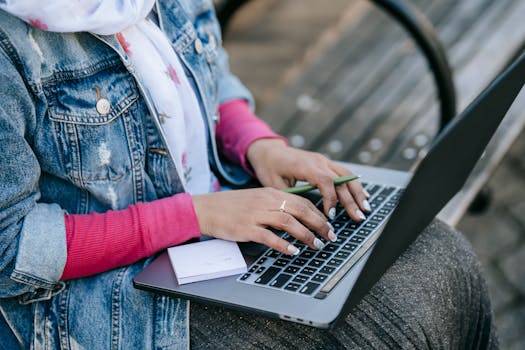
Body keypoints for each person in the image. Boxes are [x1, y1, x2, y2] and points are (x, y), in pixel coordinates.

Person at [0, 0, 497, 348]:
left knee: (439, 255)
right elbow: (11, 248)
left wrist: (259, 144)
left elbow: (208, 72)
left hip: (216, 215)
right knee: (373, 333)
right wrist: (196, 215)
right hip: (105, 301)